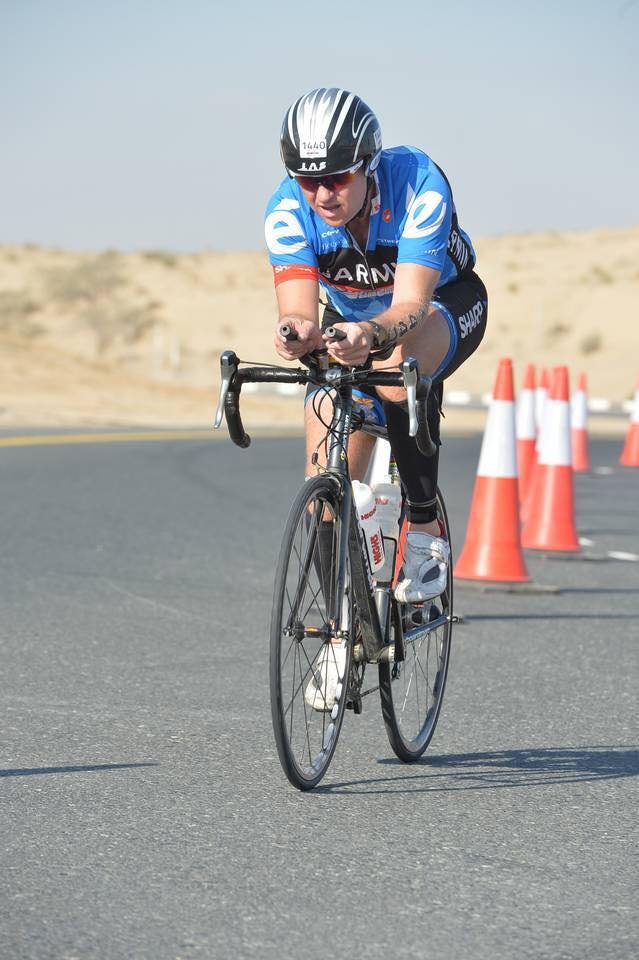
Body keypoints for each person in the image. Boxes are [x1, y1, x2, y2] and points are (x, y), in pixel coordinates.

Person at [264, 88, 487, 706]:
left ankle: (421, 529)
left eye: (336, 177)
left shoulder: (417, 179)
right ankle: (341, 636)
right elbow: (298, 312)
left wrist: (369, 332)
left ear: (368, 164)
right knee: (323, 489)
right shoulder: (287, 211)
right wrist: (298, 333)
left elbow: (410, 306)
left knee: (394, 366)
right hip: (351, 325)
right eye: (307, 181)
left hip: (443, 305)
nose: (321, 194)